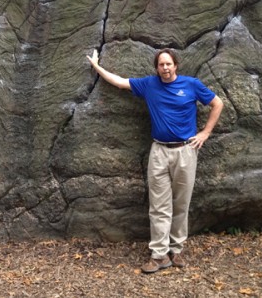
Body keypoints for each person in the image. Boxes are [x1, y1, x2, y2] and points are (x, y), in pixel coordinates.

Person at [87, 48, 223, 274]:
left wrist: (205, 133)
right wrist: (97, 66)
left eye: (169, 64)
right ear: (157, 68)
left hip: (186, 151)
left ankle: (176, 249)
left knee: (181, 203)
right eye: (161, 65)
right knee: (159, 206)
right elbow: (120, 82)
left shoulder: (191, 84)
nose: (165, 68)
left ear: (176, 65)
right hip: (159, 151)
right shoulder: (149, 85)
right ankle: (159, 255)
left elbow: (217, 104)